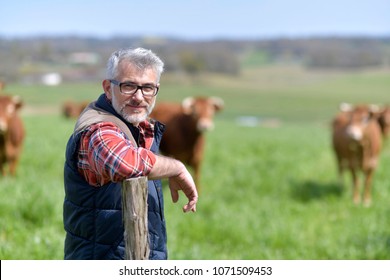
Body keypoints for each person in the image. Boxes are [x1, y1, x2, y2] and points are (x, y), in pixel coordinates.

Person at [63, 47, 198, 260]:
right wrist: (176, 167)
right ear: (108, 88)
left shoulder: (138, 127)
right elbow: (123, 162)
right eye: (128, 86)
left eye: (147, 88)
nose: (138, 97)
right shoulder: (98, 128)